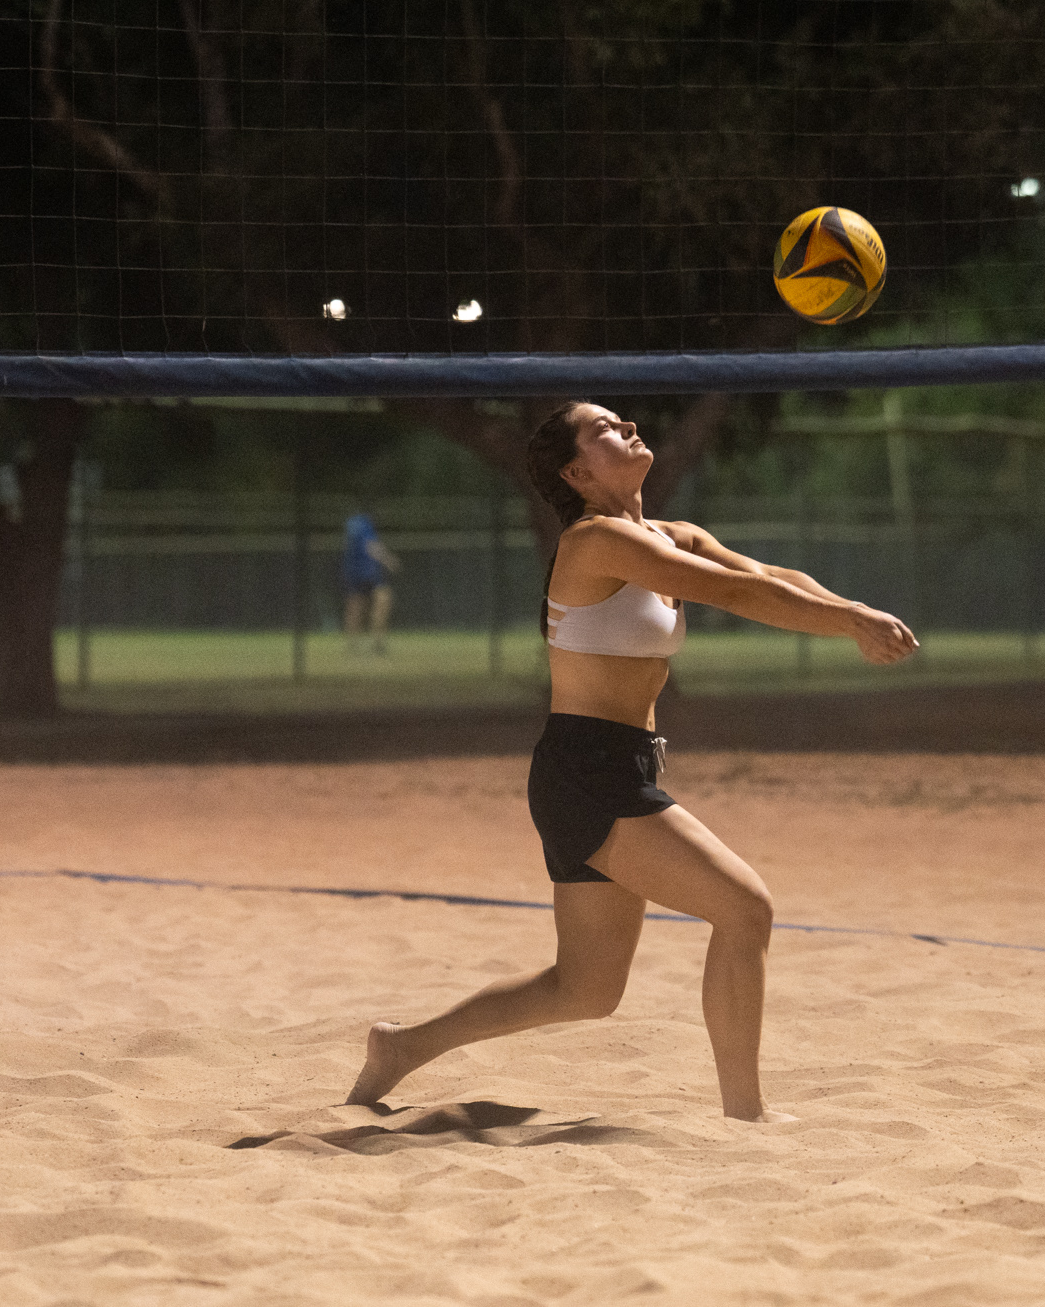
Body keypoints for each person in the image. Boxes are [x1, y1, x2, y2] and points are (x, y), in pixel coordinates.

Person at [346, 401, 917, 1122]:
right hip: (587, 771)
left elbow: (768, 573)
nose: (629, 428)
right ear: (576, 473)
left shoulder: (670, 535)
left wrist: (852, 607)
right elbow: (733, 592)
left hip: (614, 767)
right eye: (605, 430)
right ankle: (746, 1113)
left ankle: (401, 1046)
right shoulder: (595, 541)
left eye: (623, 421)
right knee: (744, 909)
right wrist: (851, 623)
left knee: (583, 989)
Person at [340, 512, 402, 654]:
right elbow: (371, 546)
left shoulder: (352, 523)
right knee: (382, 601)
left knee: (355, 607)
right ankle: (377, 642)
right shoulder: (364, 524)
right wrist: (389, 560)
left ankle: (353, 644)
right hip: (368, 572)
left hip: (352, 571)